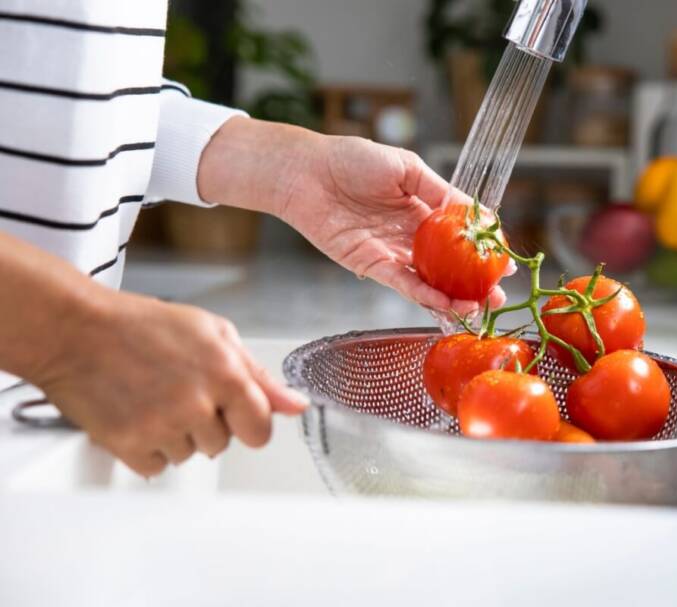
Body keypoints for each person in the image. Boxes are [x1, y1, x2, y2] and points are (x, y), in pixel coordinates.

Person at [0, 2, 502, 476]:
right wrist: (71, 335)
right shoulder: (73, 343)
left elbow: (80, 95)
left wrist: (293, 170)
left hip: (38, 399)